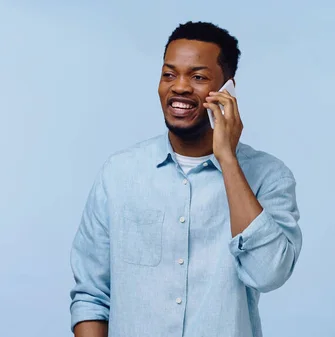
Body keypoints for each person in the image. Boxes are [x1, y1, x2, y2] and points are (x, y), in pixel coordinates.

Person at [69, 21, 303, 337]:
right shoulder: (119, 174)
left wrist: (228, 161)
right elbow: (91, 296)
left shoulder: (269, 176)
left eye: (197, 77)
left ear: (227, 90)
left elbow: (269, 273)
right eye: (169, 74)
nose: (179, 87)